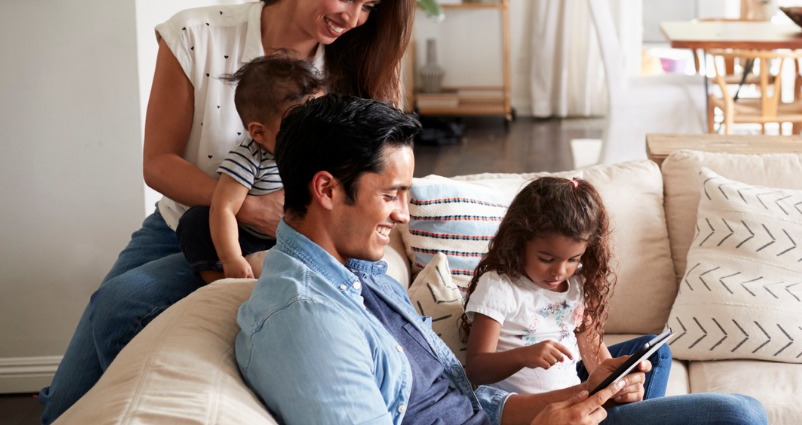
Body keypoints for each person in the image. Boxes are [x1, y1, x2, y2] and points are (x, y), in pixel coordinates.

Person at [39, 0, 414, 422]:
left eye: (368, 6)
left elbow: (373, 179)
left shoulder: (351, 68)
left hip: (285, 238)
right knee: (81, 366)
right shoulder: (197, 35)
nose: (353, 18)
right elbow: (159, 162)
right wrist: (248, 206)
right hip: (185, 220)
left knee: (123, 303)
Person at [238, 94, 766, 425]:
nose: (402, 215)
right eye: (390, 194)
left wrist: (584, 392)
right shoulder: (305, 320)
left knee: (735, 410)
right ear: (327, 189)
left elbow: (467, 403)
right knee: (737, 416)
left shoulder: (362, 274)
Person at [461, 178, 670, 401]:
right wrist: (523, 356)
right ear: (518, 242)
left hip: (576, 395)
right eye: (546, 259)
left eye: (573, 259)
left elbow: (596, 358)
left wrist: (617, 385)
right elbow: (476, 368)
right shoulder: (499, 287)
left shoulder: (576, 285)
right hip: (537, 408)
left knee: (657, 352)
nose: (559, 271)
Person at [176, 55, 323, 283]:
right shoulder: (249, 157)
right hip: (250, 240)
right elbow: (223, 208)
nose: (313, 131)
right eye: (298, 123)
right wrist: (231, 257)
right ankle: (219, 280)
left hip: (297, 239)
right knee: (196, 220)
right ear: (259, 133)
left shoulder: (319, 151)